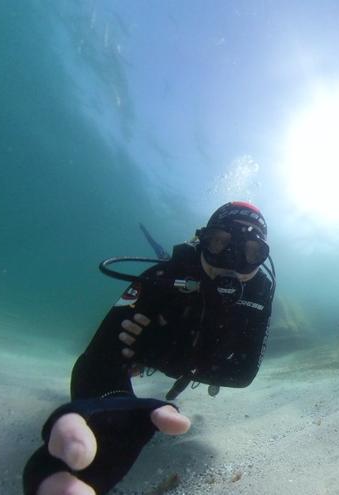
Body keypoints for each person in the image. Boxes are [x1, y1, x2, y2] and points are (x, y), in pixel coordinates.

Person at [23, 201, 275, 495]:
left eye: (251, 252)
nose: (231, 262)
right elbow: (97, 357)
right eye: (220, 243)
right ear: (202, 241)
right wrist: (112, 404)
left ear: (262, 257)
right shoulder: (162, 279)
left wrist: (166, 356)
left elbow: (243, 374)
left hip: (183, 359)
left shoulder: (259, 292)